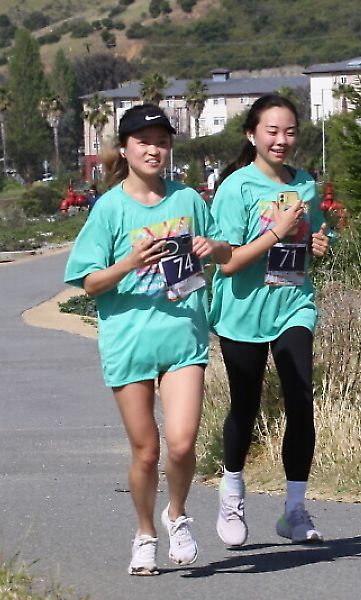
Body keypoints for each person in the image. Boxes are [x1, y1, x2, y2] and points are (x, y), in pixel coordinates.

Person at [64, 103, 231, 575]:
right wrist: (130, 263)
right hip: (129, 340)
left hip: (183, 337)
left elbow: (225, 251)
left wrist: (213, 247)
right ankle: (144, 533)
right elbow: (89, 282)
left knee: (181, 443)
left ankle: (177, 515)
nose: (153, 150)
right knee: (146, 450)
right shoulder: (110, 208)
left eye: (161, 141)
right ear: (125, 149)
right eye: (143, 142)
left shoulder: (188, 200)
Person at [209, 94, 331, 547]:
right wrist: (276, 231)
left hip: (292, 303)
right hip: (243, 310)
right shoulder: (236, 188)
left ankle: (294, 510)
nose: (282, 140)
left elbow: (319, 231)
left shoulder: (305, 185)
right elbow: (227, 262)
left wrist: (321, 242)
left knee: (300, 400)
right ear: (252, 134)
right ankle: (231, 494)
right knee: (245, 407)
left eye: (290, 132)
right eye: (272, 131)